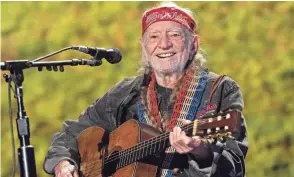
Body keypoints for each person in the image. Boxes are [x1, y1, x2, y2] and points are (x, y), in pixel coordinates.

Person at [43, 2, 248, 177]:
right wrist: (63, 163)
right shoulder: (125, 93)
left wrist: (201, 151)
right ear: (143, 47)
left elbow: (234, 165)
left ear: (194, 44)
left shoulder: (220, 89)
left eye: (175, 35)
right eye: (154, 37)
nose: (164, 44)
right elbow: (71, 133)